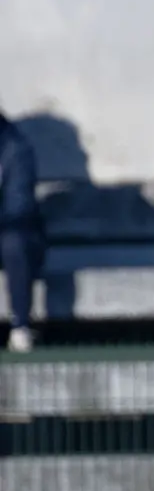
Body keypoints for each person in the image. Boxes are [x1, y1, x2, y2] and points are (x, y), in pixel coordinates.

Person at [0, 112, 45, 353]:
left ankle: (20, 327)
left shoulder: (16, 149)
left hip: (14, 233)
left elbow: (18, 208)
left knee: (13, 243)